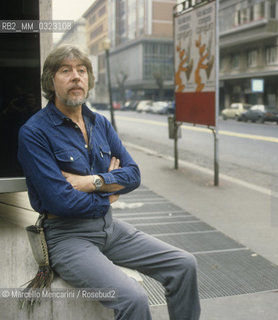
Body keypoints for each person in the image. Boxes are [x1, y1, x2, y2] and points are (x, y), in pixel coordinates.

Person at [17, 45, 201, 320]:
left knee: (184, 264)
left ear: (89, 79)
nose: (76, 76)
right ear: (50, 81)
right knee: (133, 298)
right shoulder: (34, 132)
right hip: (67, 237)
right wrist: (111, 194)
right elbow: (61, 200)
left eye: (81, 70)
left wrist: (95, 181)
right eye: (65, 71)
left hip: (109, 228)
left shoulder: (99, 123)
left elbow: (134, 174)